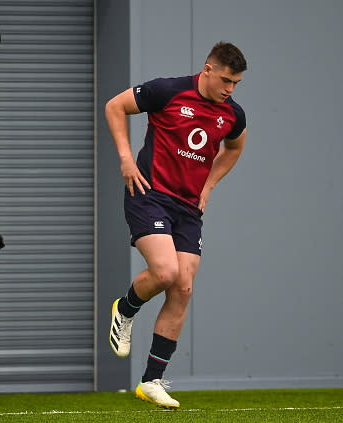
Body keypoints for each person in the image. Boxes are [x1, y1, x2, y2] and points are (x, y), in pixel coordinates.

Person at [105, 42, 247, 408]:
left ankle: (151, 381)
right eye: (227, 80)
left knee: (183, 287)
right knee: (166, 272)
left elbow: (234, 147)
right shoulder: (168, 90)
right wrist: (125, 158)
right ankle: (126, 308)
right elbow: (115, 106)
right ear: (208, 69)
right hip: (149, 193)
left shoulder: (233, 114)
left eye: (237, 83)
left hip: (188, 209)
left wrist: (209, 185)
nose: (230, 89)